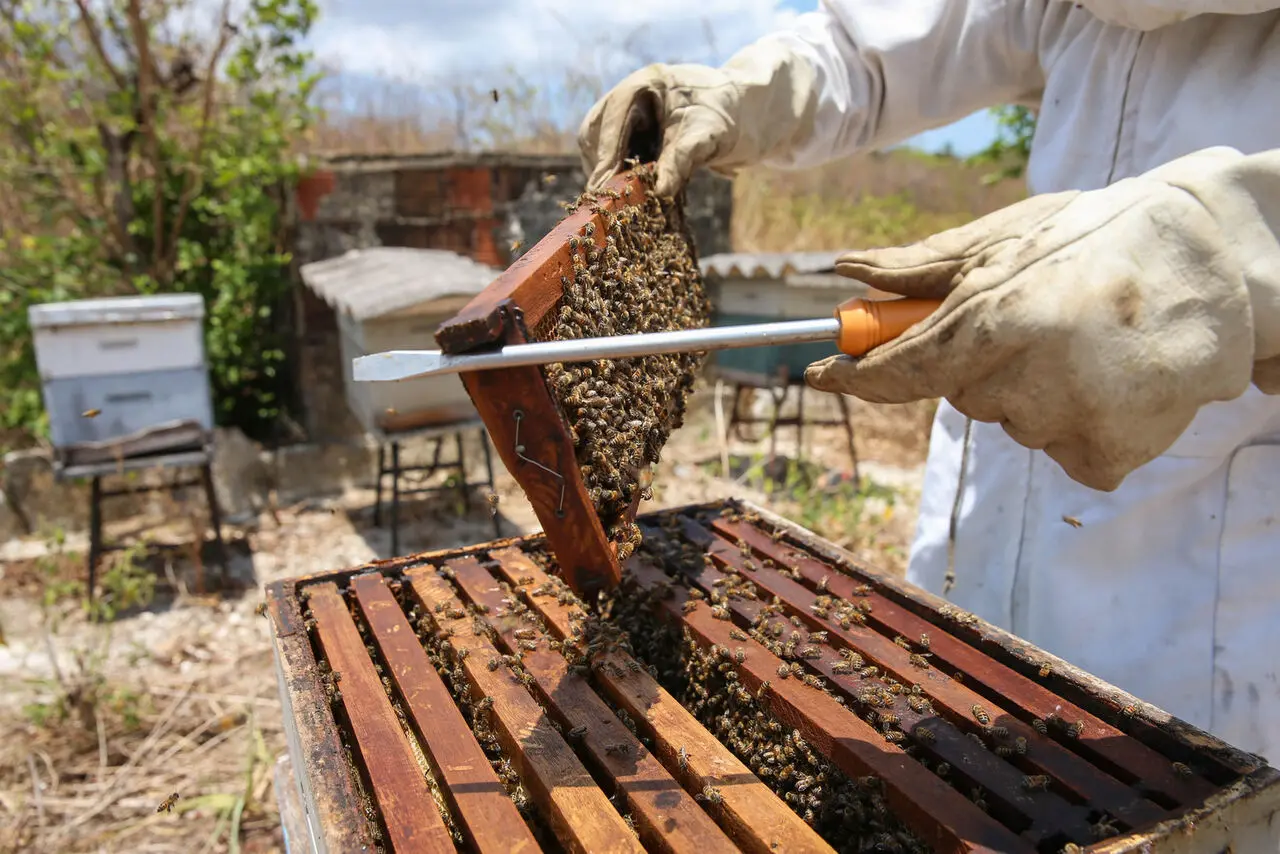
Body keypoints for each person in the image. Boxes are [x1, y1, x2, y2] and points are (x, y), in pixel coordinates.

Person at [578, 1, 1280, 764]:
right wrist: (744, 90)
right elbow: (878, 45)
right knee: (963, 758)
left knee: (1177, 794)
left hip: (1207, 615)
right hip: (988, 545)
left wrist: (1231, 251)